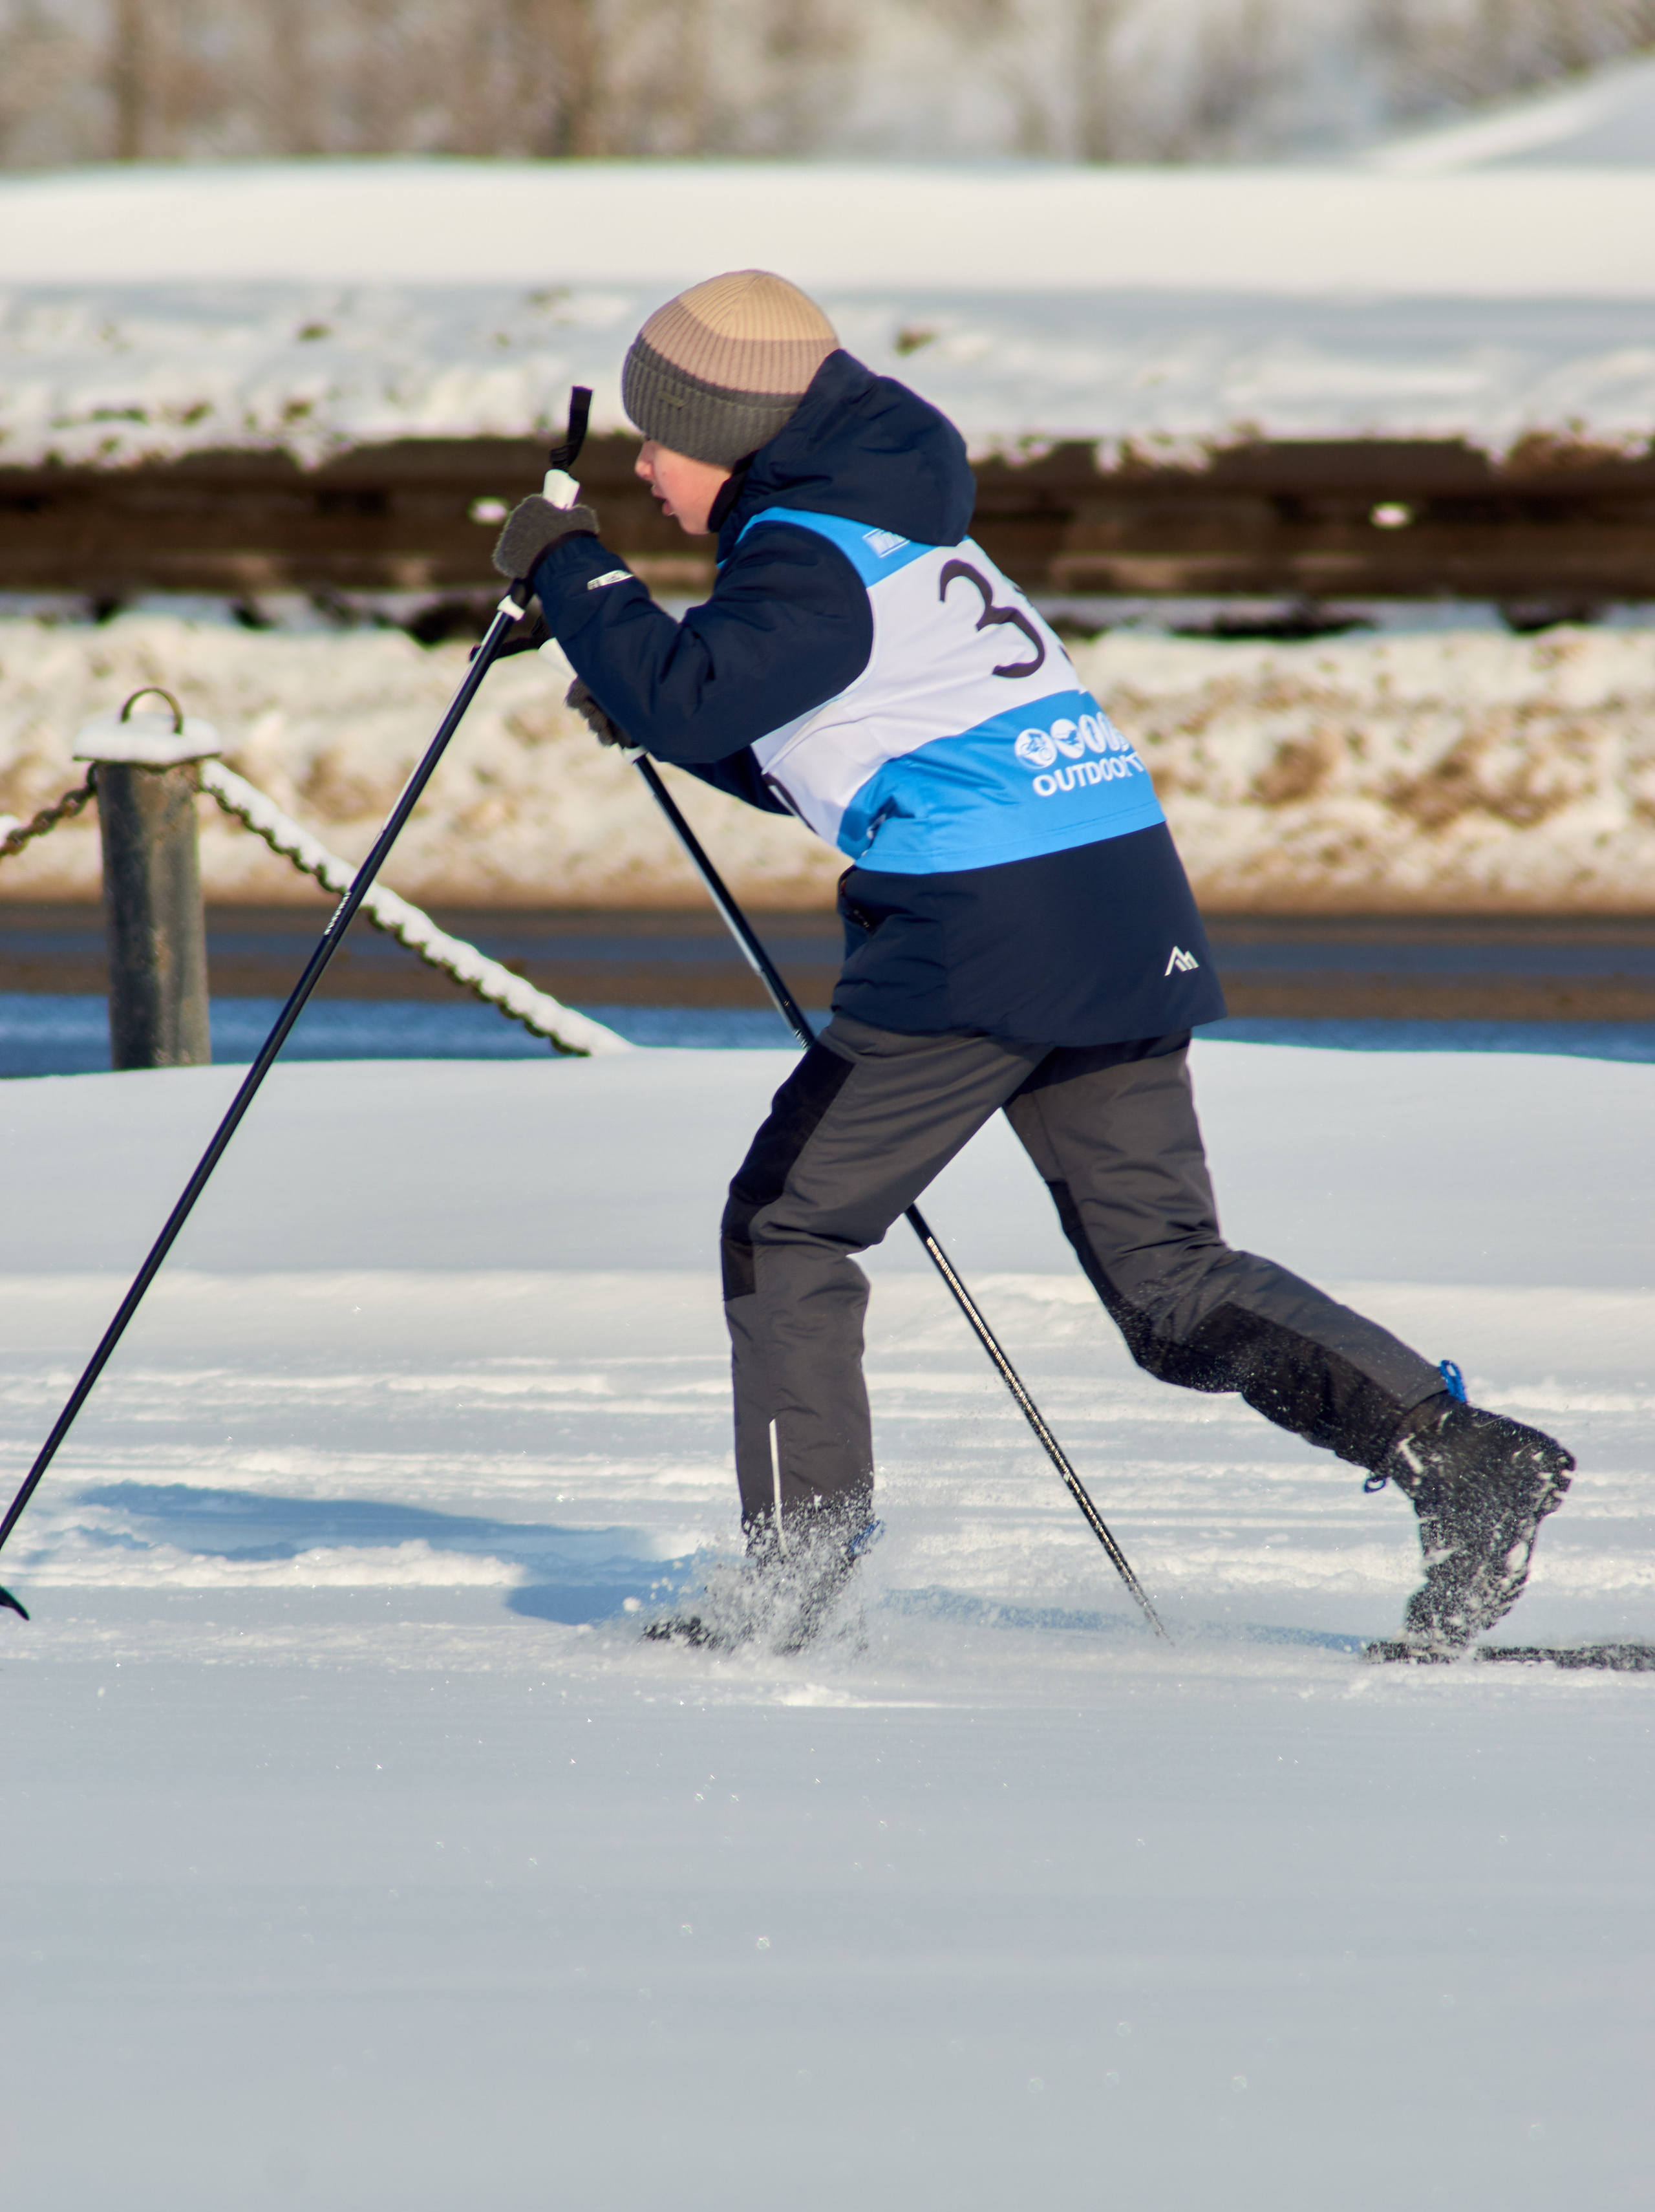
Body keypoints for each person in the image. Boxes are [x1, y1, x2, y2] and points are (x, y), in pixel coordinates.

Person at [493, 269, 1574, 1658]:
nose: (643, 467)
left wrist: (572, 571)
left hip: (985, 924)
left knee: (788, 1228)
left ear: (730, 431)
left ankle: (791, 1590)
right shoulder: (885, 521)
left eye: (661, 439)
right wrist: (656, 704)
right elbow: (812, 735)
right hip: (1110, 895)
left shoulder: (807, 550)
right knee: (1168, 1284)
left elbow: (694, 690)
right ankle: (1463, 1460)